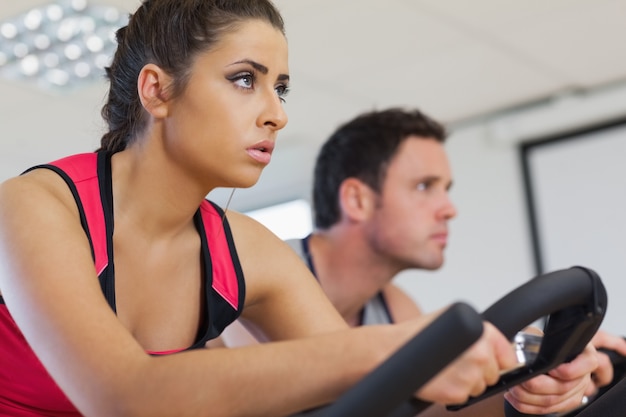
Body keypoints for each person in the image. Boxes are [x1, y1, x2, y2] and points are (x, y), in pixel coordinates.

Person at [0, 1, 535, 416]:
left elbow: (378, 397)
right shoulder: (34, 207)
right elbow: (122, 398)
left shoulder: (245, 249)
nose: (276, 113)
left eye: (280, 88)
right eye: (244, 79)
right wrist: (390, 345)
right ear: (157, 91)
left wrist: (523, 378)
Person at [218, 108, 626, 416]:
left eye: (445, 189)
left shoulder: (394, 306)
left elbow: (427, 412)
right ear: (358, 200)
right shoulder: (253, 278)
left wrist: (542, 373)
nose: (449, 209)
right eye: (424, 186)